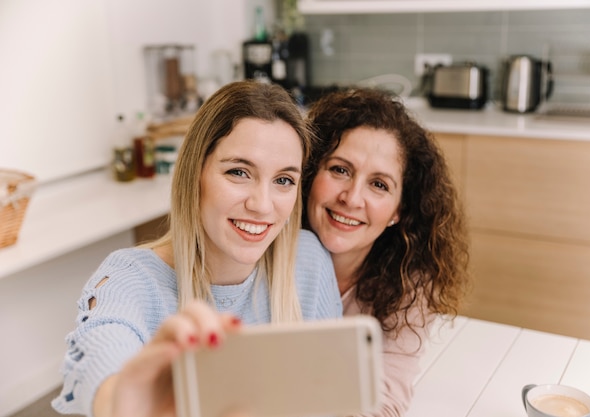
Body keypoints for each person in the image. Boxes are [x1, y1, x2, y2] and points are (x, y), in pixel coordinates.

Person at [52, 80, 343, 417]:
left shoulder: (306, 260)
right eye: (239, 172)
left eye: (283, 180)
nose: (263, 205)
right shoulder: (129, 280)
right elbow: (105, 354)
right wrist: (121, 401)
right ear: (195, 173)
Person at [303, 87, 471, 417]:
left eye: (379, 185)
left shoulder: (409, 282)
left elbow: (385, 401)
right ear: (310, 173)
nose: (351, 198)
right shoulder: (265, 244)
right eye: (340, 169)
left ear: (398, 211)